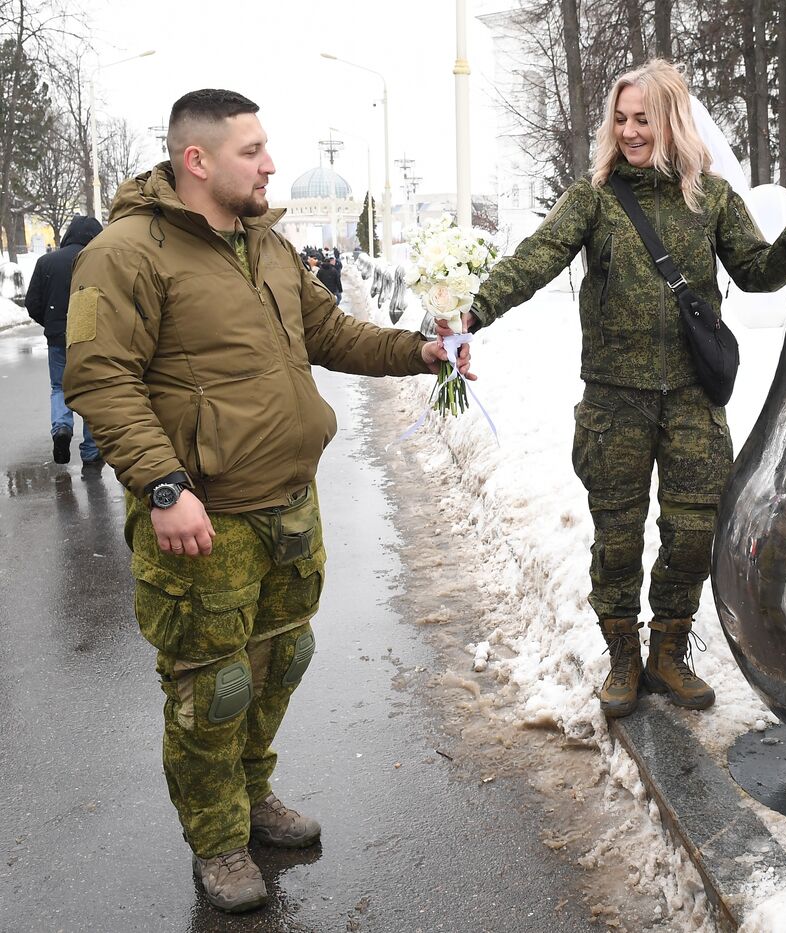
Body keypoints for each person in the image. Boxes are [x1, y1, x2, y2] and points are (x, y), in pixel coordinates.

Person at [62, 89, 471, 914]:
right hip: (202, 516)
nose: (272, 163)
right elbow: (98, 378)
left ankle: (252, 795)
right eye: (253, 150)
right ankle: (216, 839)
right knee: (211, 687)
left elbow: (332, 334)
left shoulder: (268, 244)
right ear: (198, 161)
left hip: (288, 502)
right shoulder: (128, 252)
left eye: (267, 147)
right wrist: (165, 486)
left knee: (281, 660)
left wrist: (422, 352)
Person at [442, 59, 786, 718]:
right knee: (617, 537)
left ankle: (668, 652)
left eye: (642, 119)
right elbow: (535, 260)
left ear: (671, 121)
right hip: (614, 402)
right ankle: (622, 656)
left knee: (692, 534)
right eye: (621, 119)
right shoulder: (593, 199)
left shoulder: (709, 199)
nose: (629, 131)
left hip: (691, 400)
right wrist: (472, 314)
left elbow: (758, 271)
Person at [24, 215, 104, 467]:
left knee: (59, 387)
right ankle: (91, 451)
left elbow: (32, 303)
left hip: (58, 338)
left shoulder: (46, 262)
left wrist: (52, 323)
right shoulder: (98, 260)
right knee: (92, 390)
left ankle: (61, 428)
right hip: (92, 337)